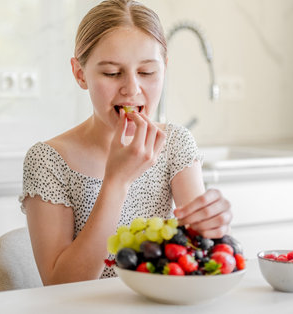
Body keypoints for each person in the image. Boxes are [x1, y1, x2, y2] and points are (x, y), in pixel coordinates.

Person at [19, 0, 232, 285]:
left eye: (146, 73)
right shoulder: (47, 160)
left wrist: (214, 227)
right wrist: (116, 181)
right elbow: (60, 286)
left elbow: (199, 256)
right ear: (80, 73)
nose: (132, 89)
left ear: (164, 69)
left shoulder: (175, 144)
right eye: (111, 73)